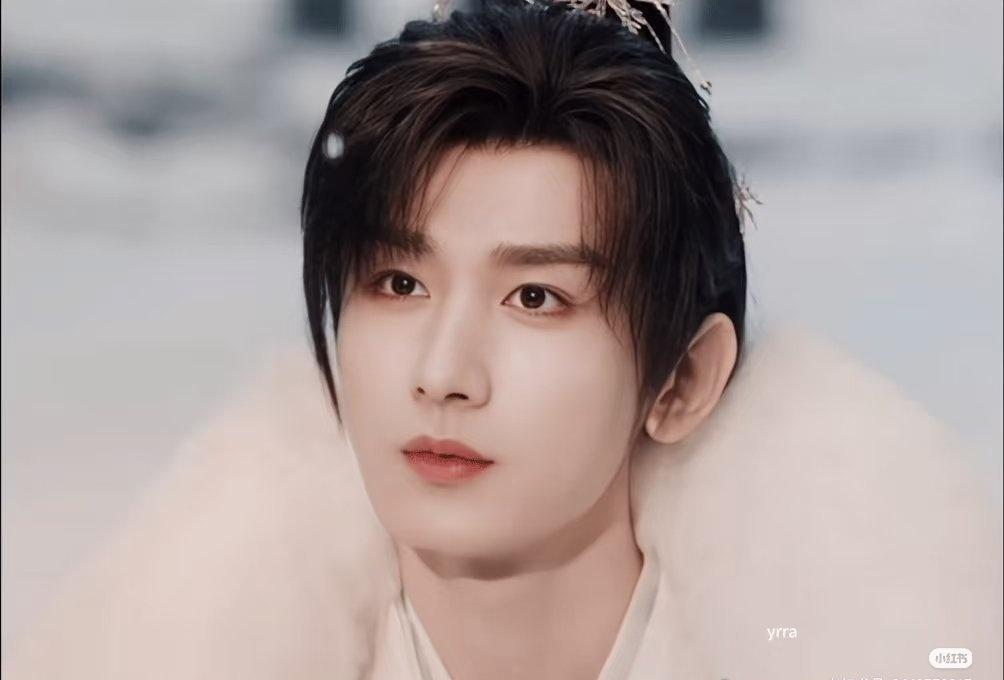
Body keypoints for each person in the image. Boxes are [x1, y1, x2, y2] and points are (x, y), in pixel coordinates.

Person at [5, 1, 1001, 679]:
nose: (442, 373)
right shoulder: (200, 630)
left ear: (683, 380)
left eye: (534, 296)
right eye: (398, 283)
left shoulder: (836, 631)